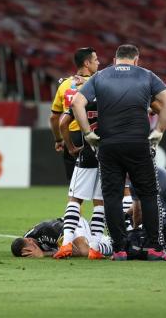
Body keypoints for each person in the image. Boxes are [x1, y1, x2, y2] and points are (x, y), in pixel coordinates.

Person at [72, 44, 166, 261]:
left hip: (108, 145)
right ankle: (154, 248)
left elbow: (76, 103)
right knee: (148, 194)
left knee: (112, 196)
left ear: (115, 59)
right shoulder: (146, 75)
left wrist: (88, 132)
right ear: (136, 59)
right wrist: (159, 130)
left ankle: (119, 249)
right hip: (138, 144)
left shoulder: (101, 76)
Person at [53, 101, 105, 260]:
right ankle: (95, 248)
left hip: (88, 153)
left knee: (75, 199)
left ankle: (66, 244)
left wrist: (70, 148)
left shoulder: (84, 98)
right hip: (108, 155)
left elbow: (63, 123)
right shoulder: (113, 97)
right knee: (100, 203)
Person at [49, 47, 99, 181]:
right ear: (87, 64)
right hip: (93, 136)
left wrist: (59, 140)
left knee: (74, 186)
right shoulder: (99, 84)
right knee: (100, 187)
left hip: (71, 137)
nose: (98, 63)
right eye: (96, 60)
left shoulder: (64, 84)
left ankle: (74, 202)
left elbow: (54, 117)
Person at [11, 217, 112, 258]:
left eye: (29, 250)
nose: (31, 253)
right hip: (62, 234)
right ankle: (91, 234)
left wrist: (43, 254)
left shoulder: (48, 231)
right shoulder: (26, 238)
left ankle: (110, 242)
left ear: (29, 241)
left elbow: (73, 250)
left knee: (84, 251)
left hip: (73, 225)